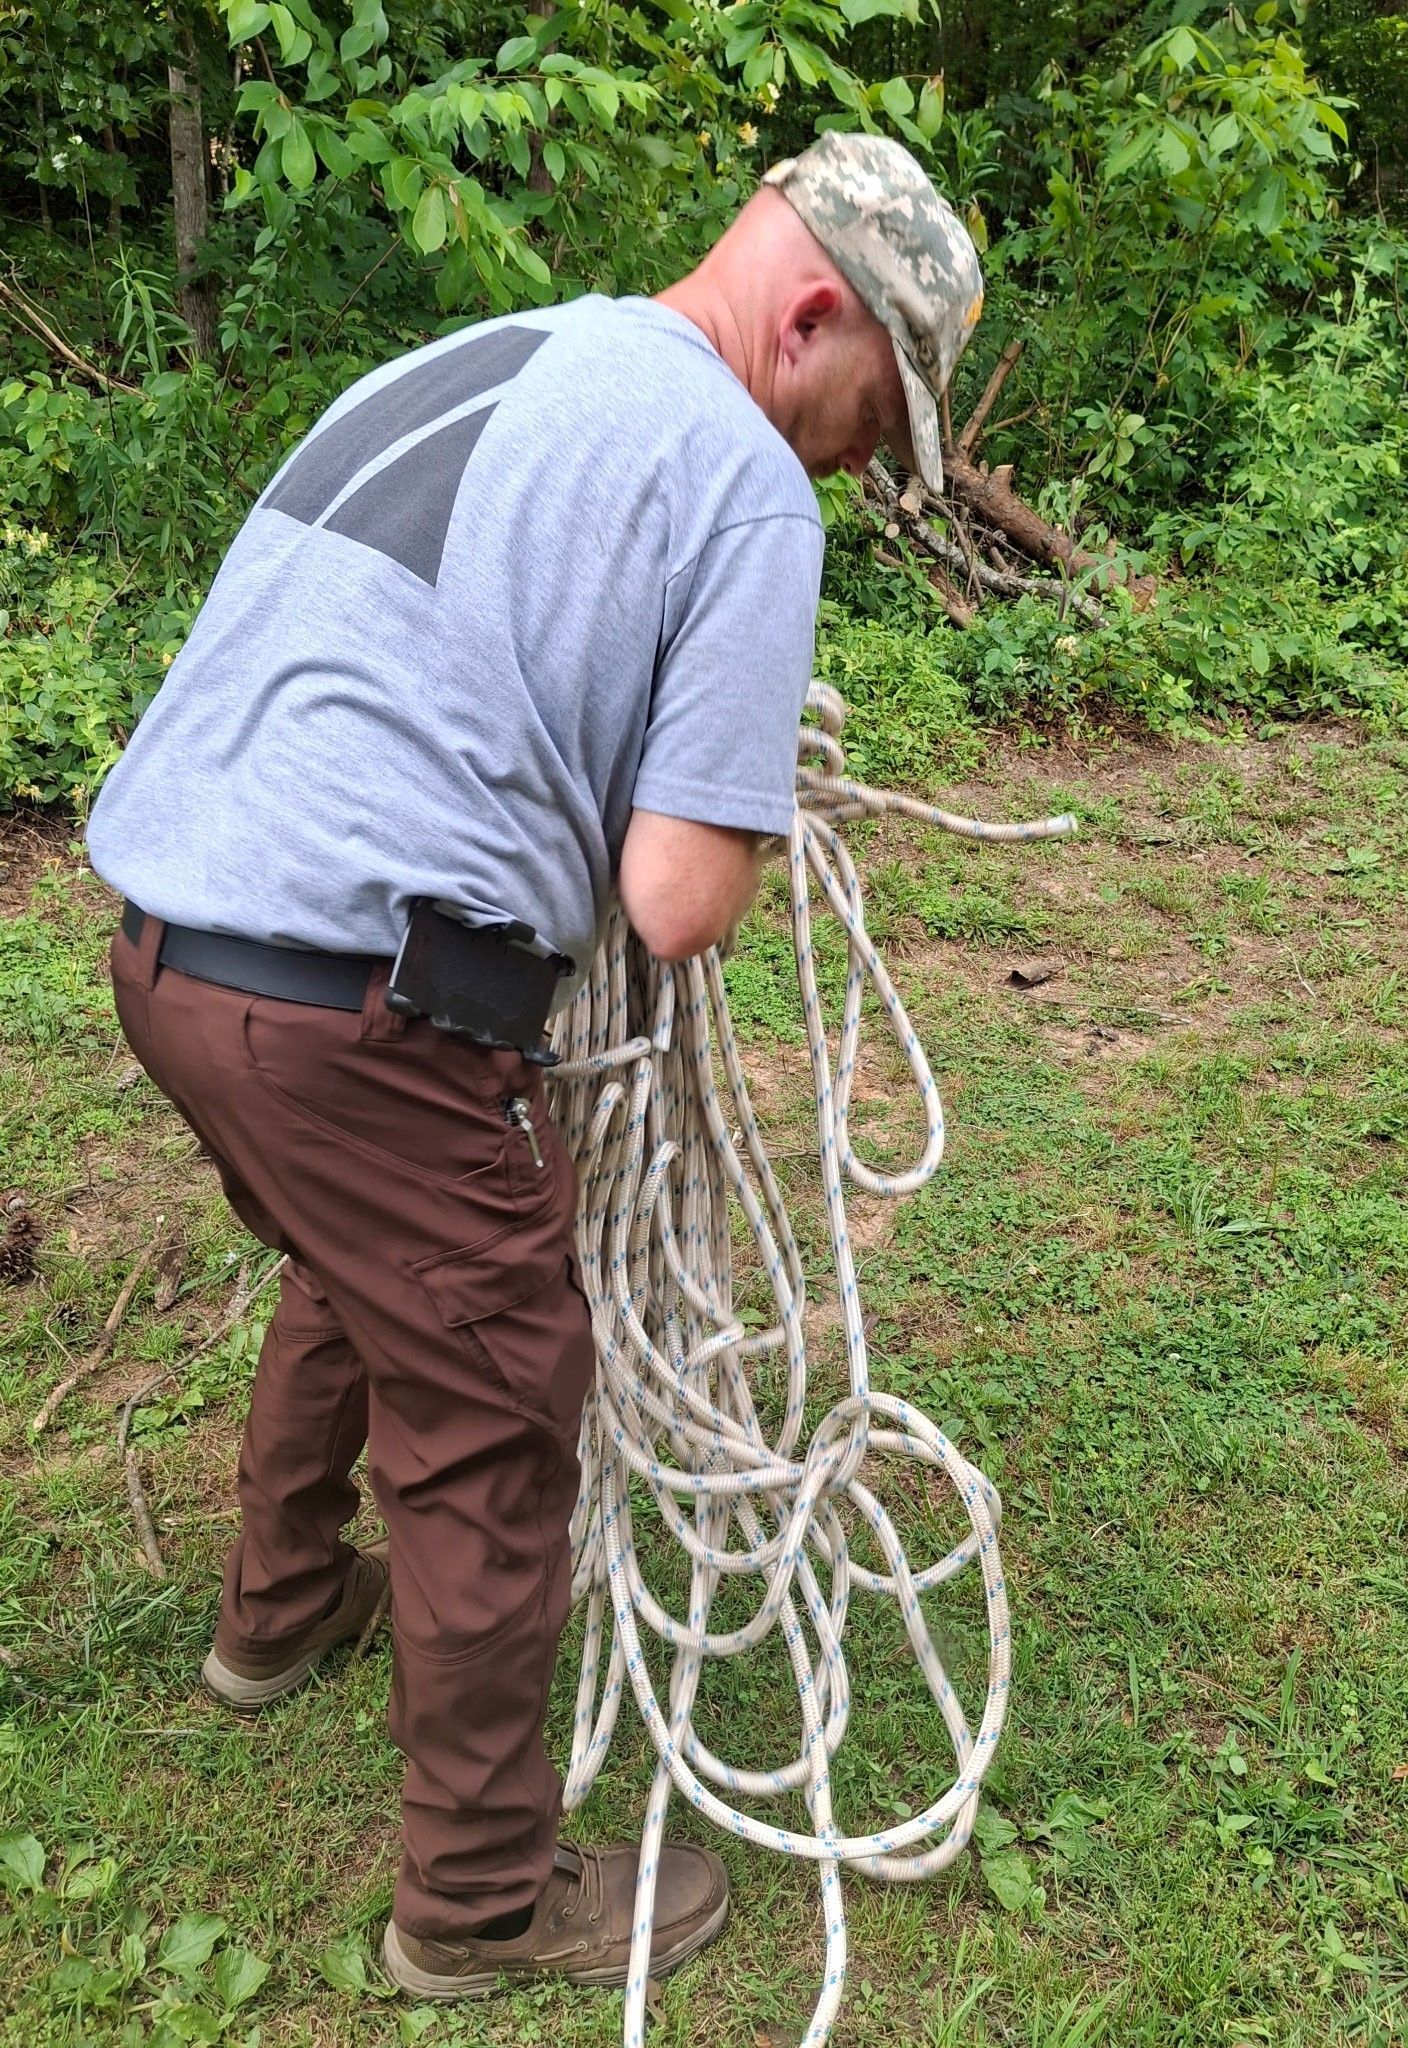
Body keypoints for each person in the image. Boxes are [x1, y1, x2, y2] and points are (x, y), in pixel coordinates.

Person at [87, 130, 983, 2001]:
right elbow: (671, 898)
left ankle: (272, 1618)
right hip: (355, 1005)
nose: (851, 461)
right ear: (813, 310)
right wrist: (723, 796)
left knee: (373, 1261)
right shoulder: (741, 482)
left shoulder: (490, 355)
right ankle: (482, 1905)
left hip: (173, 952)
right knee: (498, 1380)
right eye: (868, 414)